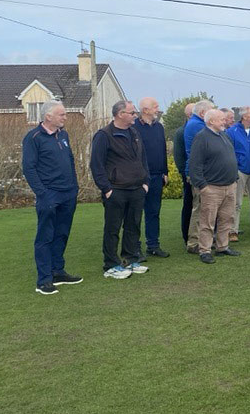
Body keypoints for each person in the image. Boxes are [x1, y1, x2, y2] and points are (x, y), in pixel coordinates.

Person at [22, 100, 82, 295]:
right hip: (49, 194)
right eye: (61, 114)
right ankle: (44, 280)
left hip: (68, 193)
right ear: (48, 116)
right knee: (45, 236)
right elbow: (29, 168)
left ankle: (58, 271)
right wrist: (42, 193)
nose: (65, 117)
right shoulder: (33, 138)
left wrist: (74, 187)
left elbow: (70, 160)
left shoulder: (63, 134)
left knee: (62, 233)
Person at [90, 100, 150, 279]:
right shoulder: (104, 135)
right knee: (112, 228)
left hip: (137, 189)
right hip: (115, 190)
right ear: (120, 114)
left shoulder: (134, 133)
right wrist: (107, 189)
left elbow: (143, 159)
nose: (135, 115)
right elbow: (96, 165)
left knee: (133, 226)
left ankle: (130, 259)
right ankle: (111, 264)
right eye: (132, 113)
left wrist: (145, 182)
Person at [189, 109, 241, 263]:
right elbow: (195, 165)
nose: (224, 121)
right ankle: (204, 250)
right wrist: (203, 186)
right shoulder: (202, 137)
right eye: (221, 119)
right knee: (207, 221)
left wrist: (235, 179)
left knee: (227, 219)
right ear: (211, 121)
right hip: (211, 188)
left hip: (229, 186)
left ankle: (222, 247)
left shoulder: (223, 135)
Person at [133, 97, 169, 258]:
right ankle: (135, 248)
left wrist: (165, 171)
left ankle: (153, 245)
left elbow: (163, 150)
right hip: (139, 178)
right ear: (145, 110)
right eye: (155, 106)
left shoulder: (159, 127)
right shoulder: (133, 128)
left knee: (154, 212)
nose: (157, 109)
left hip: (157, 176)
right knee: (135, 214)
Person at [227, 106, 250, 242]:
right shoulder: (232, 131)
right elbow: (229, 151)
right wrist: (236, 166)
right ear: (244, 116)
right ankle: (232, 230)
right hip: (239, 171)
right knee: (236, 203)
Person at [184, 100, 216, 253]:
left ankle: (203, 239)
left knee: (204, 208)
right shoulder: (198, 126)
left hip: (203, 172)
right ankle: (194, 242)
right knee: (200, 209)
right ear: (203, 113)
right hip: (200, 174)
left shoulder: (194, 124)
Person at [172, 103, 194, 243]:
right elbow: (179, 155)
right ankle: (186, 234)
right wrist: (184, 173)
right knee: (188, 204)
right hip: (188, 175)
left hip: (201, 175)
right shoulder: (181, 132)